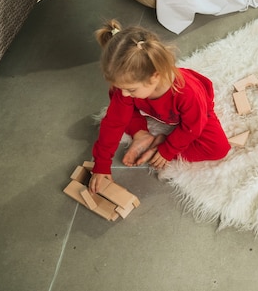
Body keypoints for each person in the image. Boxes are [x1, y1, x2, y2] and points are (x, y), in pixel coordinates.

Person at [88, 20, 230, 194]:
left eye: (130, 89)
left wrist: (167, 150)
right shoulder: (127, 90)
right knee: (120, 107)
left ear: (155, 77)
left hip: (196, 115)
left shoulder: (188, 93)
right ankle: (141, 135)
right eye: (122, 88)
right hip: (153, 106)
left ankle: (157, 143)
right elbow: (114, 122)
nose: (124, 93)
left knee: (219, 148)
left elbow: (192, 128)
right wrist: (101, 164)